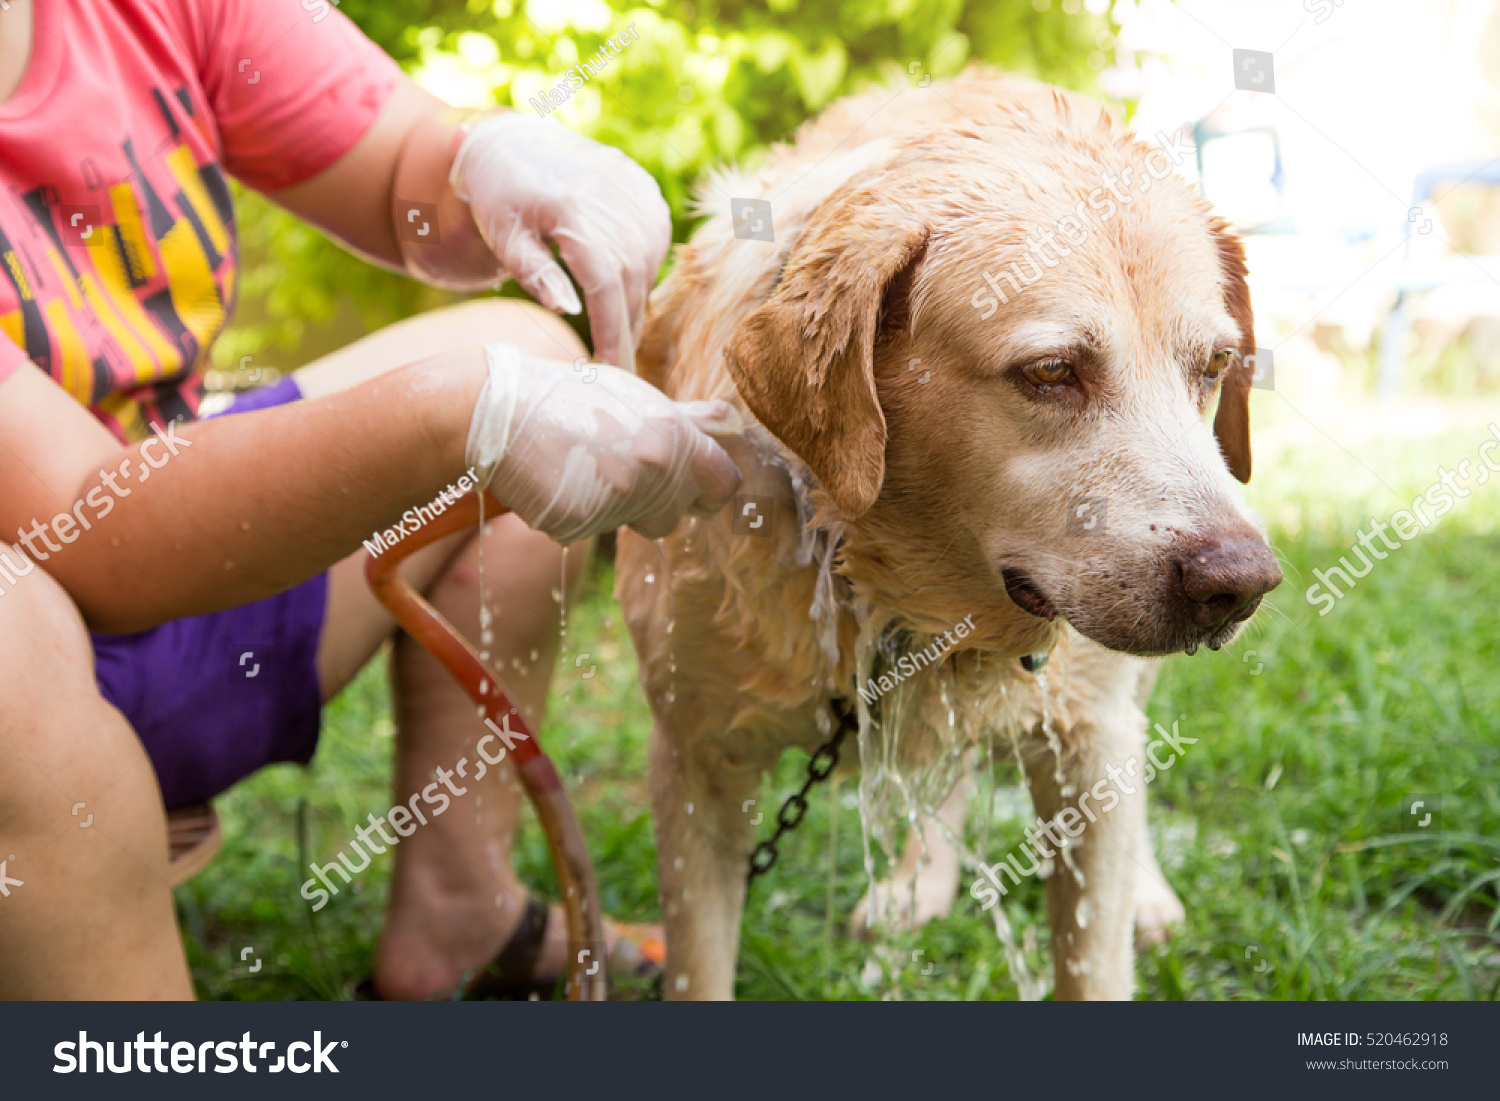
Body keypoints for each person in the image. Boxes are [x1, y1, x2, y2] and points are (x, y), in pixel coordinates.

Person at [0, 0, 740, 999]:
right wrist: (457, 417)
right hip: (30, 689)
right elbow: (84, 527)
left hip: (167, 617)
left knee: (526, 355)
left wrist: (488, 165)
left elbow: (402, 176)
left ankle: (458, 916)